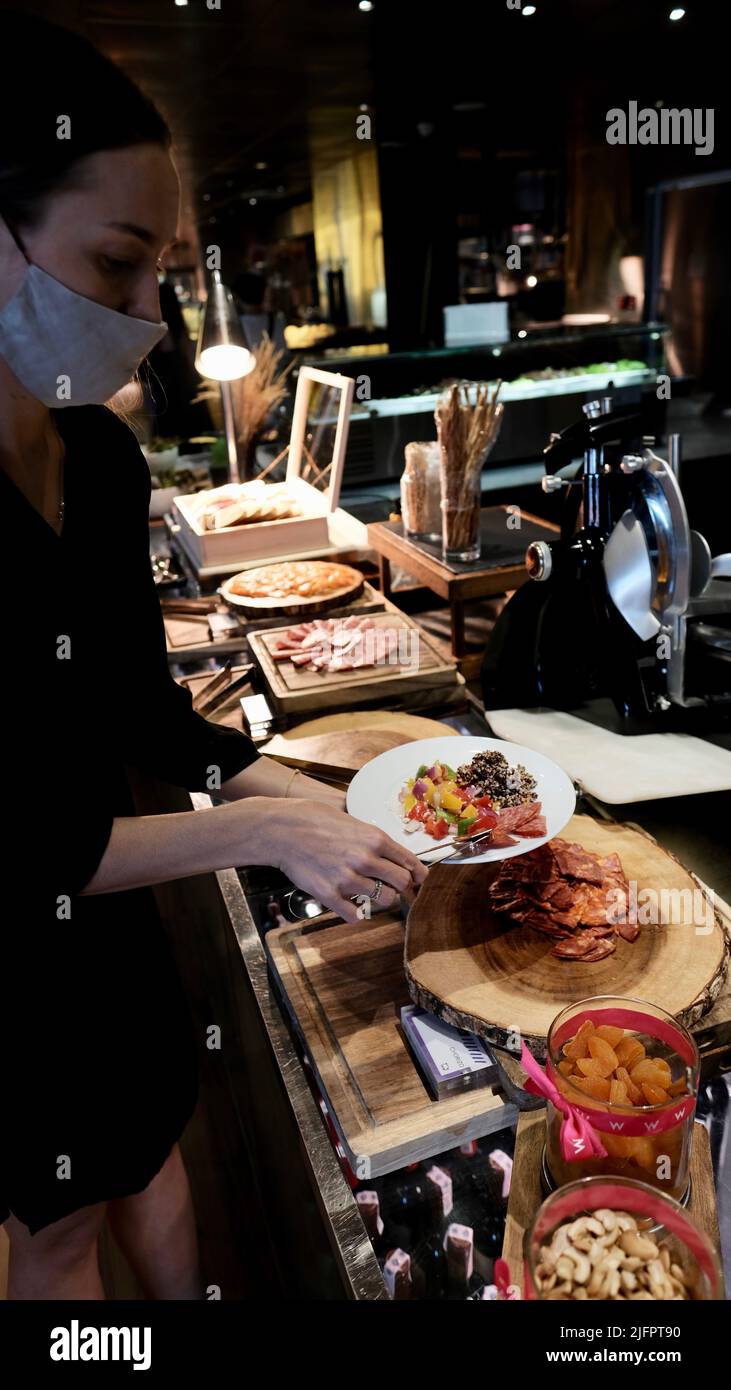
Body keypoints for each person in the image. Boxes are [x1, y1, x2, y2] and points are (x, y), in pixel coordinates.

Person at [0, 13, 425, 1302]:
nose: (145, 317)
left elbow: (140, 708)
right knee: (62, 1225)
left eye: (160, 274)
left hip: (117, 924)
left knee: (155, 1156)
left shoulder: (106, 456)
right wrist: (257, 838)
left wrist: (267, 782)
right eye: (117, 265)